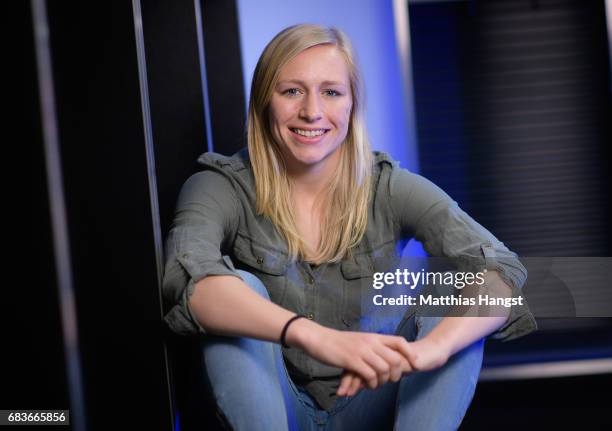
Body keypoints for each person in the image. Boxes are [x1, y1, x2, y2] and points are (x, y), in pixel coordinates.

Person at [162, 24, 537, 431]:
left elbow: (503, 272)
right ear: (262, 102)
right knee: (236, 296)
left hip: (369, 403)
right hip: (276, 410)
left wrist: (433, 350)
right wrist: (314, 336)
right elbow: (188, 280)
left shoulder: (388, 187)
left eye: (331, 92)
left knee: (457, 296)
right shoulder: (221, 185)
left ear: (352, 104)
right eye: (291, 91)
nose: (312, 111)